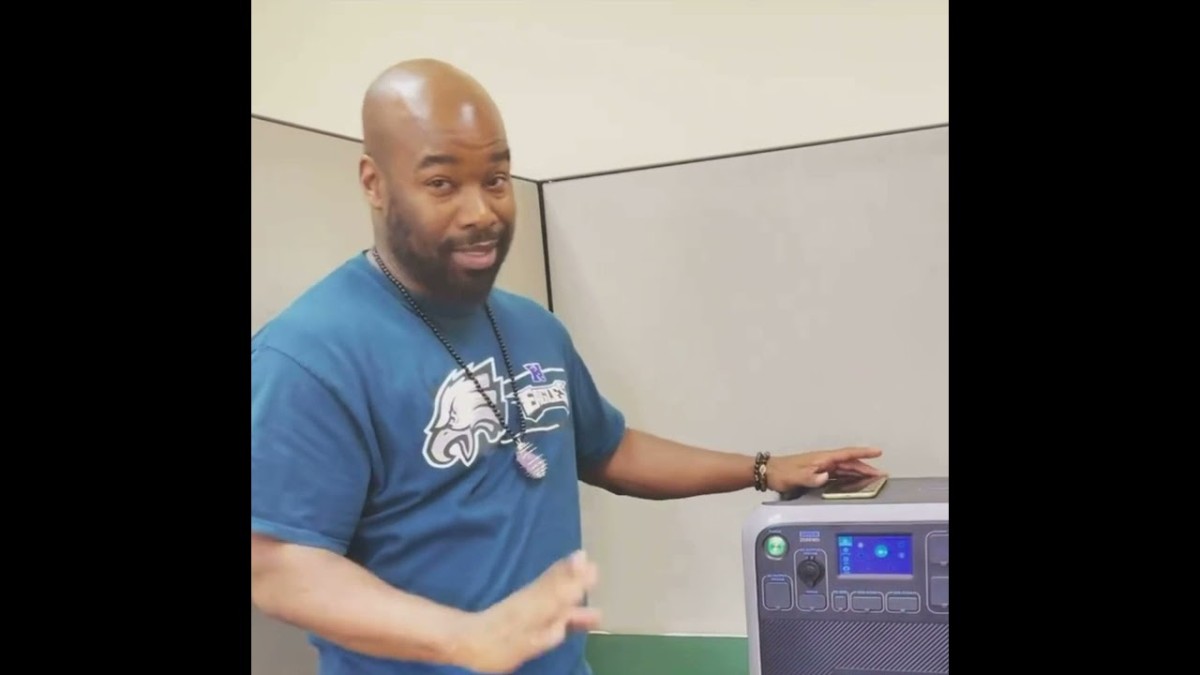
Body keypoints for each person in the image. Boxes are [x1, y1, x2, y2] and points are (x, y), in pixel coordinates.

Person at [250, 58, 884, 675]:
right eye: (441, 183)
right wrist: (461, 638)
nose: (480, 211)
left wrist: (765, 469)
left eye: (496, 179)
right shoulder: (308, 355)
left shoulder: (531, 326)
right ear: (373, 181)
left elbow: (608, 450)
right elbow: (277, 565)